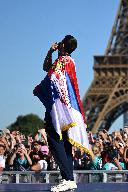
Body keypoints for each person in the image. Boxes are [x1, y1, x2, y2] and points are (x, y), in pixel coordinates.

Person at [33, 35, 92, 192]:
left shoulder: (62, 61)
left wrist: (40, 89)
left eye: (61, 42)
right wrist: (50, 52)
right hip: (68, 110)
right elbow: (50, 71)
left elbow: (52, 77)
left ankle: (67, 178)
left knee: (55, 141)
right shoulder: (69, 61)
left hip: (59, 109)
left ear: (63, 45)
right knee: (65, 144)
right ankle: (69, 179)